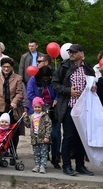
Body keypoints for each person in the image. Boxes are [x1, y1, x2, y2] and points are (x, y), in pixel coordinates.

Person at [51, 43, 97, 176]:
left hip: (85, 109)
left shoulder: (88, 67)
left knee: (82, 138)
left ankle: (80, 165)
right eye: (70, 52)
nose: (71, 54)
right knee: (68, 137)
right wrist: (68, 91)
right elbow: (54, 83)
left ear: (81, 53)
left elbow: (92, 83)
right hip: (70, 107)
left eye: (74, 52)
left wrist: (94, 88)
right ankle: (66, 165)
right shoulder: (64, 67)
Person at [0, 57, 24, 153]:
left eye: (8, 67)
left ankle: (13, 152)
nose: (6, 69)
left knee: (13, 132)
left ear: (11, 67)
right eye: (4, 67)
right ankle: (0, 152)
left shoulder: (18, 78)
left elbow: (20, 93)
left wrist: (15, 101)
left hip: (11, 109)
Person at [26, 62, 60, 168]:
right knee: (41, 135)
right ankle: (43, 157)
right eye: (43, 78)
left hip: (53, 109)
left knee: (55, 134)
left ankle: (55, 156)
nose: (45, 80)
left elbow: (58, 91)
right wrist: (40, 103)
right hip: (39, 110)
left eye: (47, 78)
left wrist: (56, 99)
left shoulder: (54, 79)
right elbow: (30, 94)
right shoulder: (33, 80)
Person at [24, 97, 52, 173]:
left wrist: (47, 136)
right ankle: (37, 165)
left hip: (43, 138)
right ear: (33, 107)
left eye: (39, 107)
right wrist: (25, 117)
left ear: (41, 107)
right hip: (35, 138)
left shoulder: (44, 116)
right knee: (36, 153)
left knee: (43, 153)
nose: (37, 109)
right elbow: (28, 125)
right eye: (35, 107)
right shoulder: (31, 117)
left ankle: (43, 166)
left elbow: (49, 126)